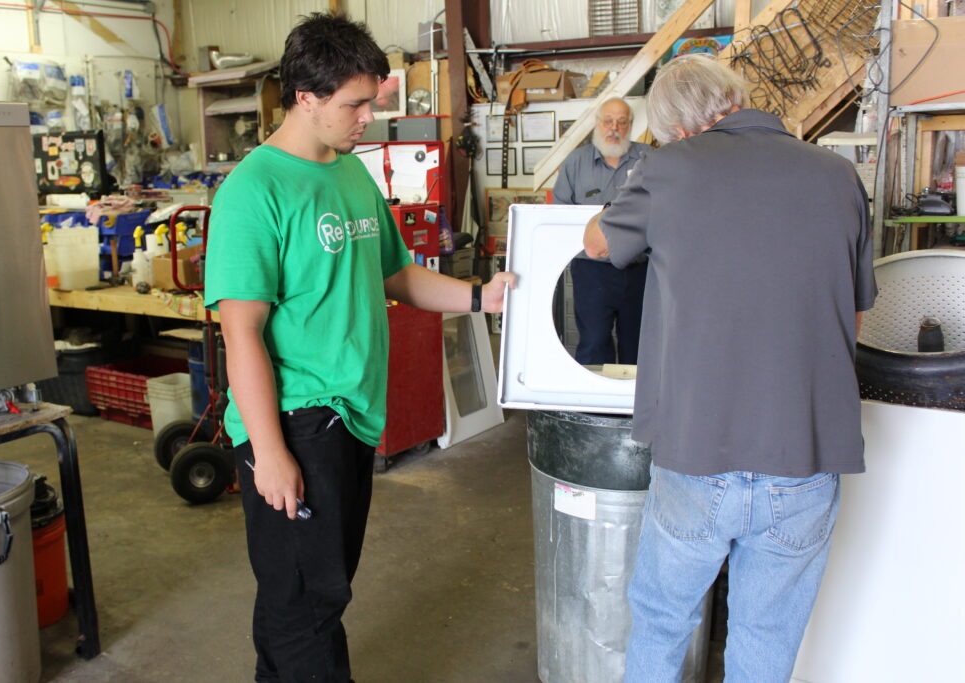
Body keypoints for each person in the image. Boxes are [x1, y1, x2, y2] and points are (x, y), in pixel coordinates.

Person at [203, 13, 514, 683]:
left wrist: (478, 297)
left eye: (372, 100)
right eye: (356, 103)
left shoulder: (348, 174)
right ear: (306, 96)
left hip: (347, 420)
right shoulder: (254, 192)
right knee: (308, 608)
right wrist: (271, 452)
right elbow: (241, 333)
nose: (369, 117)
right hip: (296, 421)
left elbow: (395, 273)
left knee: (301, 597)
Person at [583, 55, 876, 682]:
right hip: (806, 453)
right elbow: (853, 322)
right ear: (733, 98)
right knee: (766, 639)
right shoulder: (838, 174)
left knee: (663, 621)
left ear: (677, 129)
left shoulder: (668, 170)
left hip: (698, 450)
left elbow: (597, 244)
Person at [553, 97, 652, 366]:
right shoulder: (576, 162)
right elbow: (560, 214)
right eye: (608, 121)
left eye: (622, 122)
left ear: (630, 125)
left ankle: (635, 407)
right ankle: (595, 408)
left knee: (639, 344)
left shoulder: (650, 159)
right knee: (594, 342)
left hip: (640, 269)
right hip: (591, 271)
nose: (614, 128)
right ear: (597, 123)